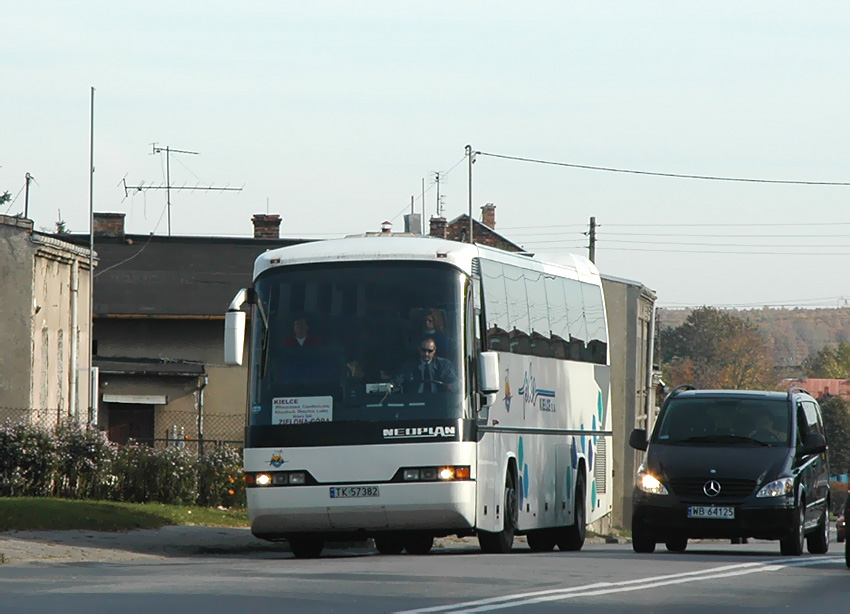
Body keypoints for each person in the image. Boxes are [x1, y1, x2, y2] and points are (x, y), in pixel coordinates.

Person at [394, 337, 458, 393]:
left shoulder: (445, 365)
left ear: (434, 350)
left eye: (430, 351)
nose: (426, 354)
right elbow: (398, 381)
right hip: (415, 401)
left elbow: (454, 382)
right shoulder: (410, 366)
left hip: (439, 401)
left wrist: (452, 386)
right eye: (424, 350)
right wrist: (391, 386)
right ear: (419, 349)